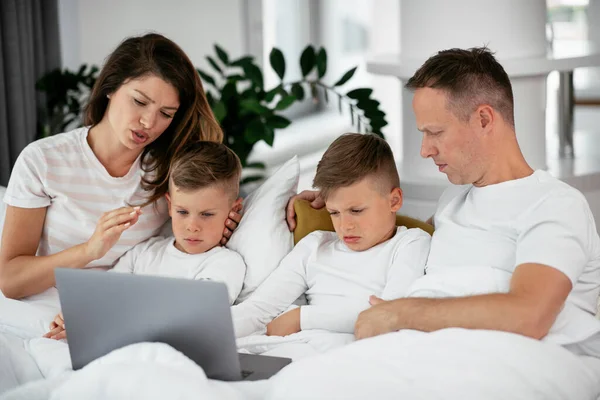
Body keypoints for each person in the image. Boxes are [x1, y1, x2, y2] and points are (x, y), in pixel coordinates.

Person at [287, 47, 600, 355]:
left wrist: (401, 312)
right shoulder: (454, 198)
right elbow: (402, 239)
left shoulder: (553, 204)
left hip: (499, 359)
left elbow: (529, 316)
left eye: (435, 132)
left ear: (484, 120)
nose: (425, 150)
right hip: (422, 349)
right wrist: (340, 201)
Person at [0, 33, 242, 301]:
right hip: (52, 308)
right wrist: (89, 250)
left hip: (129, 306)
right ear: (111, 87)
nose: (149, 122)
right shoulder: (43, 160)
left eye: (166, 114)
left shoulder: (169, 172)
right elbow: (10, 280)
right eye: (139, 101)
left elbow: (215, 204)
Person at [232, 133, 430, 346]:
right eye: (334, 212)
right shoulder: (314, 245)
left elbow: (389, 312)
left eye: (356, 210)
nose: (345, 226)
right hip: (300, 349)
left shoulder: (410, 243)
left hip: (360, 350)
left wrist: (301, 318)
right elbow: (259, 309)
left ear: (394, 200)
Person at [44, 142, 247, 340]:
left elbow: (195, 314)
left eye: (206, 214)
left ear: (234, 210)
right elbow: (107, 294)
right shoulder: (144, 253)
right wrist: (78, 316)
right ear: (170, 205)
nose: (192, 226)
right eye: (182, 212)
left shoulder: (226, 263)